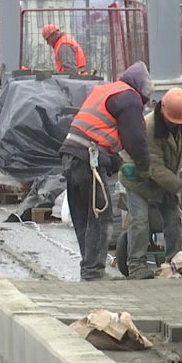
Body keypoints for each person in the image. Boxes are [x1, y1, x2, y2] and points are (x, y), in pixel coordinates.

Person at [59, 62, 153, 281]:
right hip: (87, 159)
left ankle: (89, 268)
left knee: (83, 215)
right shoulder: (129, 97)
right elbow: (136, 140)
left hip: (70, 154)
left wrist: (116, 162)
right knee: (101, 216)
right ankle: (93, 272)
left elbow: (98, 130)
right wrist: (144, 168)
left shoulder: (107, 90)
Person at [120, 87, 182, 279]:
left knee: (174, 220)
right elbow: (155, 167)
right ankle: (136, 265)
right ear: (163, 109)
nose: (173, 123)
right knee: (140, 220)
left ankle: (174, 264)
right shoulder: (149, 126)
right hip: (139, 179)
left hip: (166, 179)